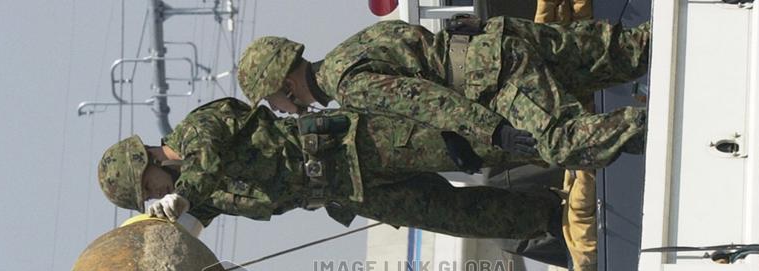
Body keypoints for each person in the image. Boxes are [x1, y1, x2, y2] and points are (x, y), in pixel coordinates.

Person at [97, 97, 565, 242]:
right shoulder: (200, 196)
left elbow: (208, 159)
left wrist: (184, 196)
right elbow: (191, 227)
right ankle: (553, 218)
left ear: (148, 163)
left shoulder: (199, 128)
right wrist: (162, 234)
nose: (155, 195)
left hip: (363, 146)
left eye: (147, 189)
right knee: (457, 215)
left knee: (479, 147)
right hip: (352, 191)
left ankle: (571, 139)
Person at [237, 15, 650, 170]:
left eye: (271, 100)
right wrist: (453, 135)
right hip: (498, 40)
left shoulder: (349, 86)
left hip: (495, 76)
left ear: (286, 85)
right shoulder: (350, 48)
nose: (278, 110)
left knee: (561, 144)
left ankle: (657, 128)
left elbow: (431, 101)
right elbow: (417, 51)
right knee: (629, 52)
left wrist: (492, 133)